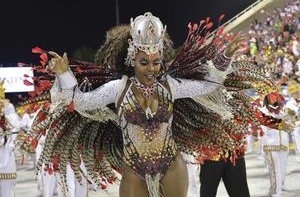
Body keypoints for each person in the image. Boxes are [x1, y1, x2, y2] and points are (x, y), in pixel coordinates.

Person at [24, 12, 271, 197]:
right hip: (134, 168)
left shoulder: (170, 86)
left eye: (156, 62)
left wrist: (224, 59)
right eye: (144, 62)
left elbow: (209, 86)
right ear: (132, 60)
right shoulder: (118, 89)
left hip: (172, 165)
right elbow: (79, 101)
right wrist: (64, 74)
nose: (151, 69)